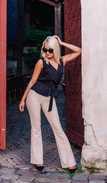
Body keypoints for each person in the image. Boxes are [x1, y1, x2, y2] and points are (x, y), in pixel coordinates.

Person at [19, 35, 81, 173]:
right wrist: (23, 99)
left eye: (50, 50)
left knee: (58, 129)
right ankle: (37, 161)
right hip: (34, 95)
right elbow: (32, 81)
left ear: (56, 49)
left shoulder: (61, 61)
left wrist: (62, 42)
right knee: (36, 128)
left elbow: (78, 51)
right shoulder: (41, 62)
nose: (47, 53)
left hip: (49, 98)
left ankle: (69, 162)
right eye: (45, 49)